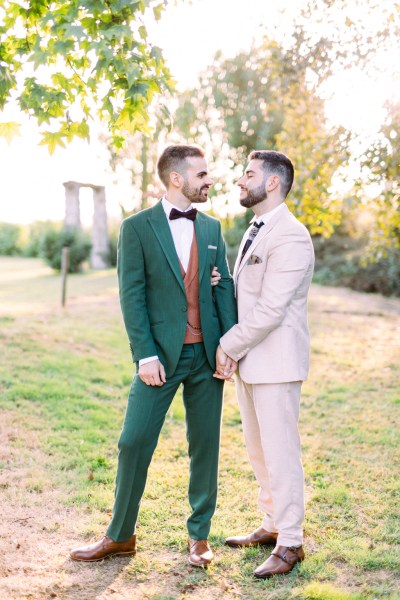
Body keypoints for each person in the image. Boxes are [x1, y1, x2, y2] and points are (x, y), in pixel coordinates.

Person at [70, 145, 237, 567]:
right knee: (133, 441)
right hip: (160, 357)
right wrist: (144, 354)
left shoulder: (213, 229)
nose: (209, 181)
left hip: (206, 357)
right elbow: (132, 294)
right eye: (201, 174)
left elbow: (223, 289)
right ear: (177, 179)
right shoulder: (137, 227)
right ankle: (120, 535)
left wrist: (228, 346)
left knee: (205, 446)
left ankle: (199, 537)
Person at [215, 150, 314, 578]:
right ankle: (272, 525)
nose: (241, 180)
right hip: (253, 362)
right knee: (258, 451)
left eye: (249, 174)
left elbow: (272, 309)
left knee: (280, 452)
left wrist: (229, 345)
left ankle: (291, 542)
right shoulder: (256, 229)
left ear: (272, 182)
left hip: (275, 363)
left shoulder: (291, 235)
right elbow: (252, 292)